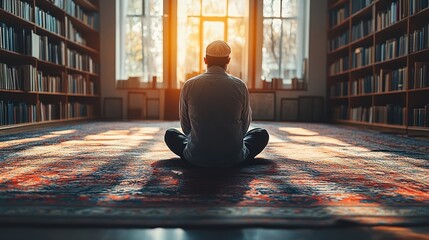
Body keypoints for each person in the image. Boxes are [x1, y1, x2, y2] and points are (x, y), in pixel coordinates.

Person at [164, 40, 269, 167]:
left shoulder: (189, 85)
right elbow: (245, 125)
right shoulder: (239, 85)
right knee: (260, 134)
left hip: (196, 158)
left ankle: (197, 153)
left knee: (171, 134)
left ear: (205, 60)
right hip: (234, 158)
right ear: (228, 60)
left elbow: (186, 127)